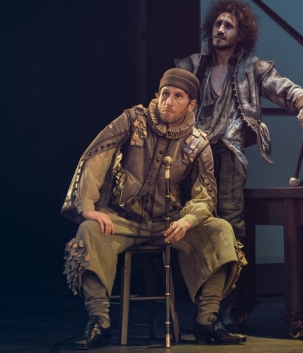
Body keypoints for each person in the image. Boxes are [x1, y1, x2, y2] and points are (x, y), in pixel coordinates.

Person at [61, 69, 247, 348]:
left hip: (169, 224)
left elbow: (206, 196)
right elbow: (97, 155)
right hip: (124, 220)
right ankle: (99, 322)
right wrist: (88, 206)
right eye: (164, 94)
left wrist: (187, 221)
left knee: (220, 231)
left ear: (191, 104)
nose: (168, 101)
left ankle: (207, 320)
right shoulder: (132, 120)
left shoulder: (198, 142)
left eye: (178, 96)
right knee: (89, 231)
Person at [176, 0, 303, 331]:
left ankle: (234, 304)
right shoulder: (193, 66)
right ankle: (203, 308)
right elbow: (168, 97)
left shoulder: (252, 69)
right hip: (193, 158)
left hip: (228, 156)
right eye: (218, 24)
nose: (221, 30)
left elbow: (285, 89)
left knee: (232, 228)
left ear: (241, 34)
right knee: (193, 227)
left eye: (229, 26)